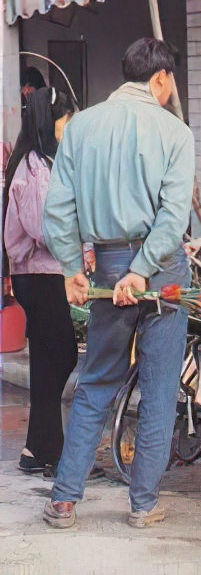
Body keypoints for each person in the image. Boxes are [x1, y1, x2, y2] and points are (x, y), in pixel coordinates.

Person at [41, 38, 195, 530]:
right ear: (161, 78)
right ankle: (143, 505)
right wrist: (144, 267)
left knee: (95, 382)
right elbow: (173, 217)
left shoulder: (81, 126)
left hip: (104, 265)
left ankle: (64, 500)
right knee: (159, 386)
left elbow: (58, 209)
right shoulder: (175, 131)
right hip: (162, 267)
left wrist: (71, 267)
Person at [4, 88, 76, 475]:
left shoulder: (39, 161)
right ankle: (48, 449)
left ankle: (39, 450)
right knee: (60, 356)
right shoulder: (33, 168)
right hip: (40, 275)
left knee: (50, 361)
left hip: (41, 275)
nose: (70, 126)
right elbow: (42, 229)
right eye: (66, 118)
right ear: (51, 121)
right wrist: (81, 239)